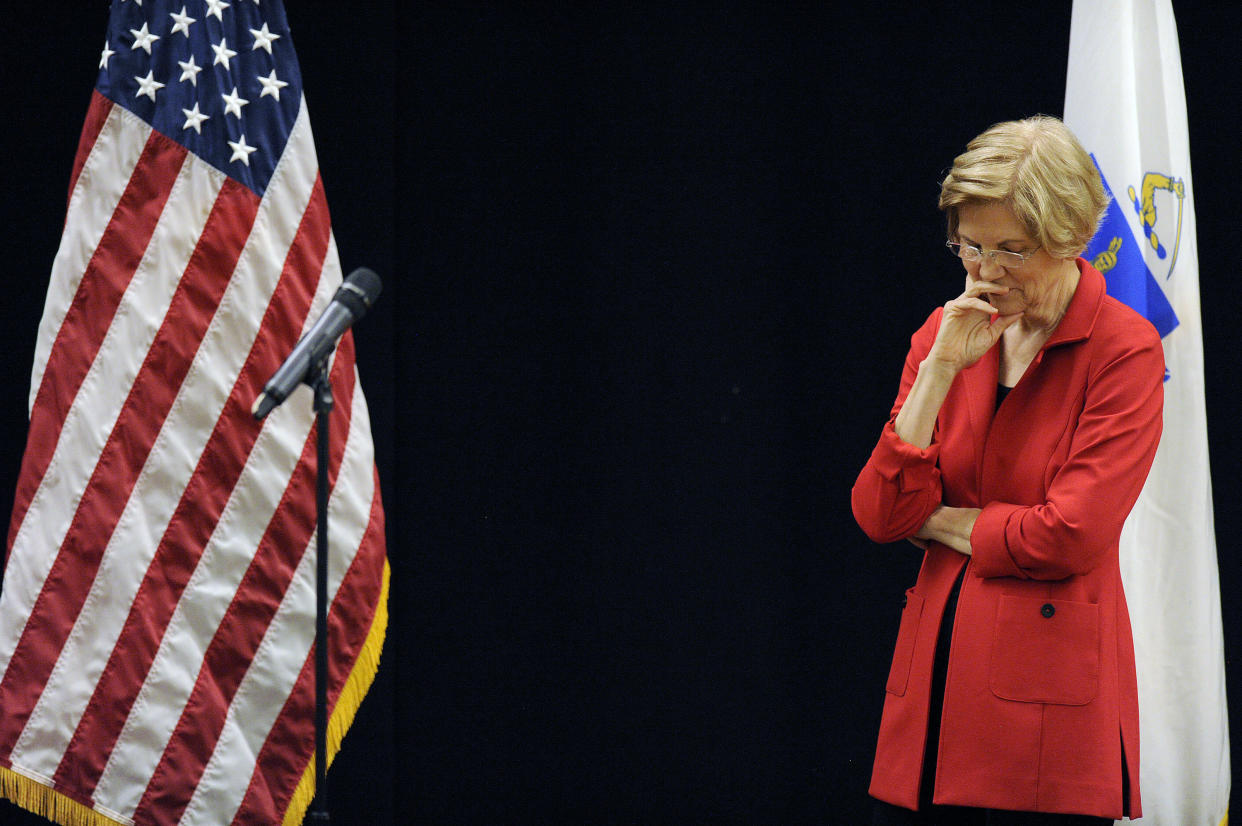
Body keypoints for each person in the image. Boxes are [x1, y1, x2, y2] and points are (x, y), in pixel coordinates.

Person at [851, 116, 1164, 825]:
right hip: (932, 692)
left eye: (1011, 250)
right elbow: (878, 513)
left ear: (1070, 239)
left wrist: (942, 522)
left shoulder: (1124, 350)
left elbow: (1069, 536)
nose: (984, 271)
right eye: (970, 245)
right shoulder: (945, 331)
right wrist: (936, 373)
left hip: (1046, 716)